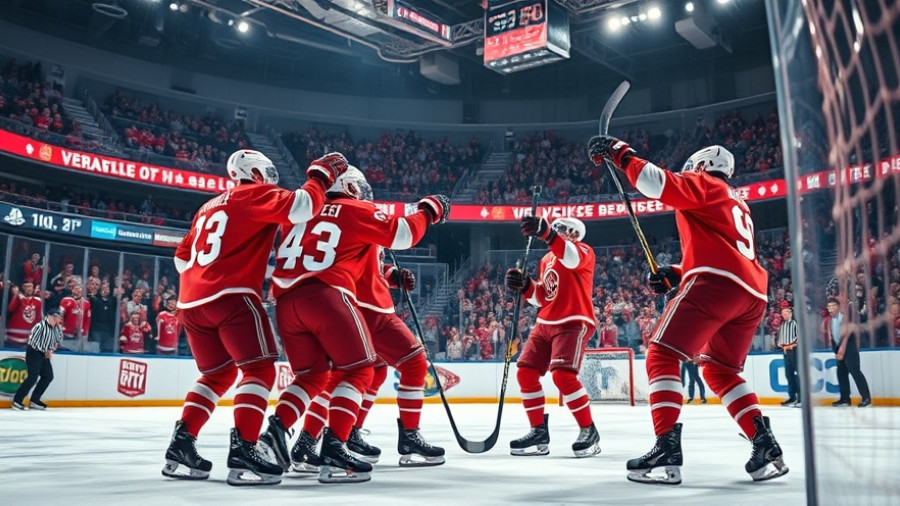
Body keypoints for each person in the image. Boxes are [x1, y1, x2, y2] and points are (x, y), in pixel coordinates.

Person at [589, 137, 788, 483]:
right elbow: (726, 250)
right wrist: (677, 273)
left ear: (701, 167)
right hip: (752, 293)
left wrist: (620, 153)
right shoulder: (737, 201)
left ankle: (666, 446)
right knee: (720, 370)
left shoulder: (706, 184)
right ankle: (765, 443)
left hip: (717, 285)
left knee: (660, 355)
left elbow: (656, 182)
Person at [161, 149, 345, 486]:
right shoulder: (255, 192)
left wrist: (207, 276)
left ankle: (181, 444)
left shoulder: (207, 207)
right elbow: (303, 206)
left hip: (191, 302)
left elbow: (181, 259)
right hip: (231, 296)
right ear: (257, 174)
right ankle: (245, 447)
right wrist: (320, 175)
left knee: (217, 375)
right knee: (258, 370)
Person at [263, 166, 449, 483]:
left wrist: (390, 276)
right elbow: (400, 236)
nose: (362, 193)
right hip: (350, 304)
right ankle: (381, 439)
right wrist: (428, 210)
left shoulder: (302, 214)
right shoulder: (355, 211)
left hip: (289, 300)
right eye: (358, 187)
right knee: (407, 363)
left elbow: (356, 263)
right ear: (348, 186)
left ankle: (303, 437)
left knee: (331, 375)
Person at [505, 216, 601, 458]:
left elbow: (570, 258)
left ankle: (588, 430)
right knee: (526, 372)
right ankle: (538, 430)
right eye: (555, 227)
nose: (558, 231)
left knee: (562, 376)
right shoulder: (547, 258)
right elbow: (541, 297)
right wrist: (525, 285)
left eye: (563, 229)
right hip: (545, 322)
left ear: (576, 234)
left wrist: (548, 234)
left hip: (573, 321)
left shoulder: (583, 250)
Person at [11, 308, 63, 410]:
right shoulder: (40, 326)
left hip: (45, 353)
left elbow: (58, 340)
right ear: (49, 316)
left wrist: (51, 349)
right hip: (34, 352)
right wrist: (46, 351)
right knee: (32, 377)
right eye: (55, 316)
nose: (57, 318)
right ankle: (17, 401)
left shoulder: (58, 328)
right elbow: (34, 342)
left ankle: (34, 400)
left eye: (58, 316)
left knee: (48, 376)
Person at [822, 297, 871, 407]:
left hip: (849, 348)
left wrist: (842, 349)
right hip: (839, 348)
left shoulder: (844, 318)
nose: (831, 309)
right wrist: (836, 349)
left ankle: (866, 398)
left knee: (855, 372)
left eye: (833, 306)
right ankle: (845, 399)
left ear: (838, 307)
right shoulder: (830, 320)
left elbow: (847, 335)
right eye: (829, 306)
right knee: (841, 374)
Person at [776, 304, 800, 407]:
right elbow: (780, 338)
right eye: (782, 313)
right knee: (789, 375)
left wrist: (789, 345)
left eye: (786, 313)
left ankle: (800, 398)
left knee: (796, 375)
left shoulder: (794, 323)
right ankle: (792, 397)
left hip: (793, 351)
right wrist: (782, 346)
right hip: (785, 352)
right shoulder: (783, 325)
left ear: (790, 313)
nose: (784, 315)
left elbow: (798, 338)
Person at [6, 281, 43, 348]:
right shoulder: (17, 298)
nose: (28, 289)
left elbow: (38, 318)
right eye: (26, 287)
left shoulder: (38, 301)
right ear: (22, 288)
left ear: (33, 288)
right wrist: (17, 296)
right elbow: (11, 309)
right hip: (12, 337)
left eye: (30, 286)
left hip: (28, 339)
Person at [59, 282, 90, 350]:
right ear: (72, 290)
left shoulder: (86, 303)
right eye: (76, 289)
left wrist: (83, 332)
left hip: (78, 335)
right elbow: (60, 315)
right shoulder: (66, 300)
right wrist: (61, 327)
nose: (78, 291)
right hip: (65, 333)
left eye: (80, 289)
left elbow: (87, 320)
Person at [89, 282, 117, 353]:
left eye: (107, 288)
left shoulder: (113, 301)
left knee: (107, 351)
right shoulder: (95, 299)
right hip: (97, 329)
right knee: (95, 350)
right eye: (104, 288)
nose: (106, 290)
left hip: (108, 330)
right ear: (100, 290)